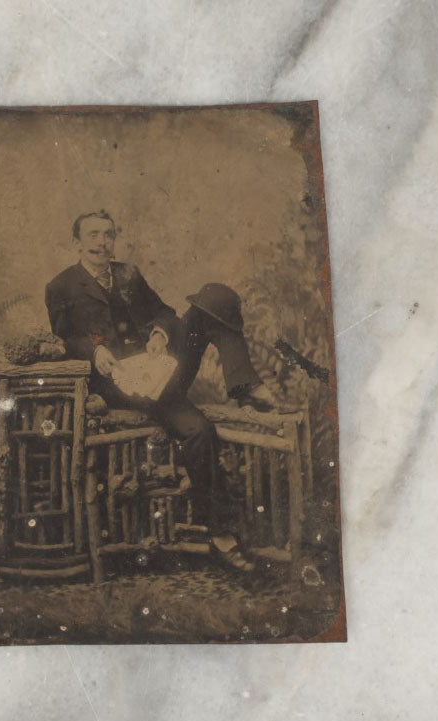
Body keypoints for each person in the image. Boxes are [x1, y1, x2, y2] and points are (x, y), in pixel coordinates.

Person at [45, 210, 277, 570]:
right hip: (120, 385)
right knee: (198, 429)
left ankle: (244, 385)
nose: (101, 242)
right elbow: (64, 339)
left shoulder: (128, 275)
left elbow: (165, 312)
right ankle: (220, 534)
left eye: (108, 234)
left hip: (161, 369)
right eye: (92, 235)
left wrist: (160, 333)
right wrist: (96, 351)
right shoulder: (60, 287)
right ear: (77, 242)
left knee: (214, 299)